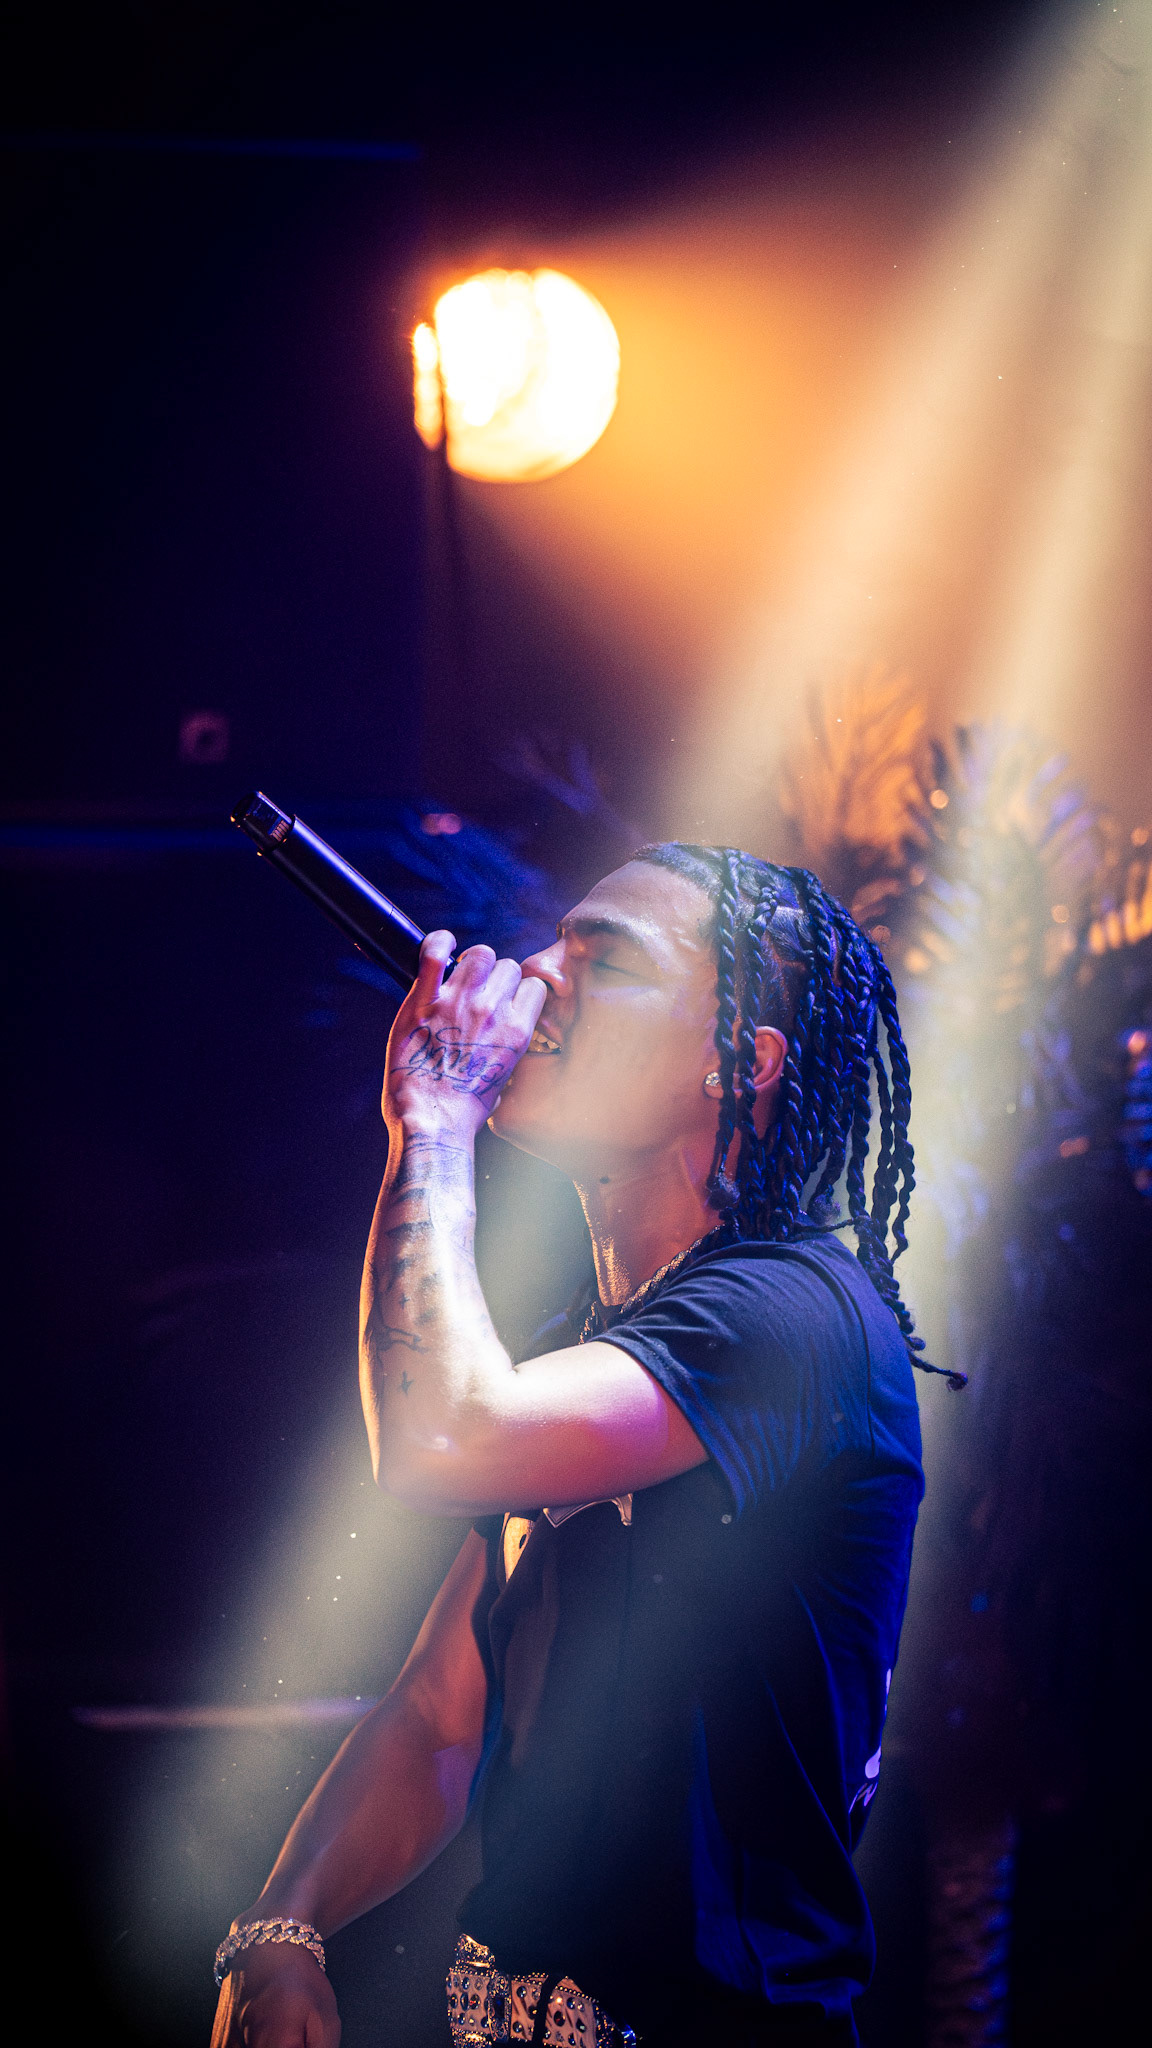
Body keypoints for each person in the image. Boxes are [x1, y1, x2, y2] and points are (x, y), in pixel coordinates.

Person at [210, 844, 943, 2048]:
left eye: (606, 959)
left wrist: (433, 1117)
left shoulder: (794, 1316)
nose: (537, 973)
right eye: (554, 940)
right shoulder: (591, 1347)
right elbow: (440, 1714)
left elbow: (443, 1432)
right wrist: (284, 1926)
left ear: (739, 1058)